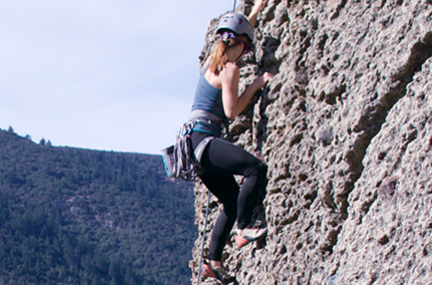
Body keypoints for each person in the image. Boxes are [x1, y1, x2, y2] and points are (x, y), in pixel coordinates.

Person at [189, 0, 273, 283]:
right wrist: (257, 83)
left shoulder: (211, 65)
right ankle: (245, 226)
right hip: (205, 141)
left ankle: (212, 261)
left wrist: (255, 12)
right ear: (239, 46)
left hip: (193, 146)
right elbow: (232, 111)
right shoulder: (230, 70)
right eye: (246, 48)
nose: (246, 53)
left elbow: (236, 31)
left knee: (229, 199)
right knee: (255, 169)